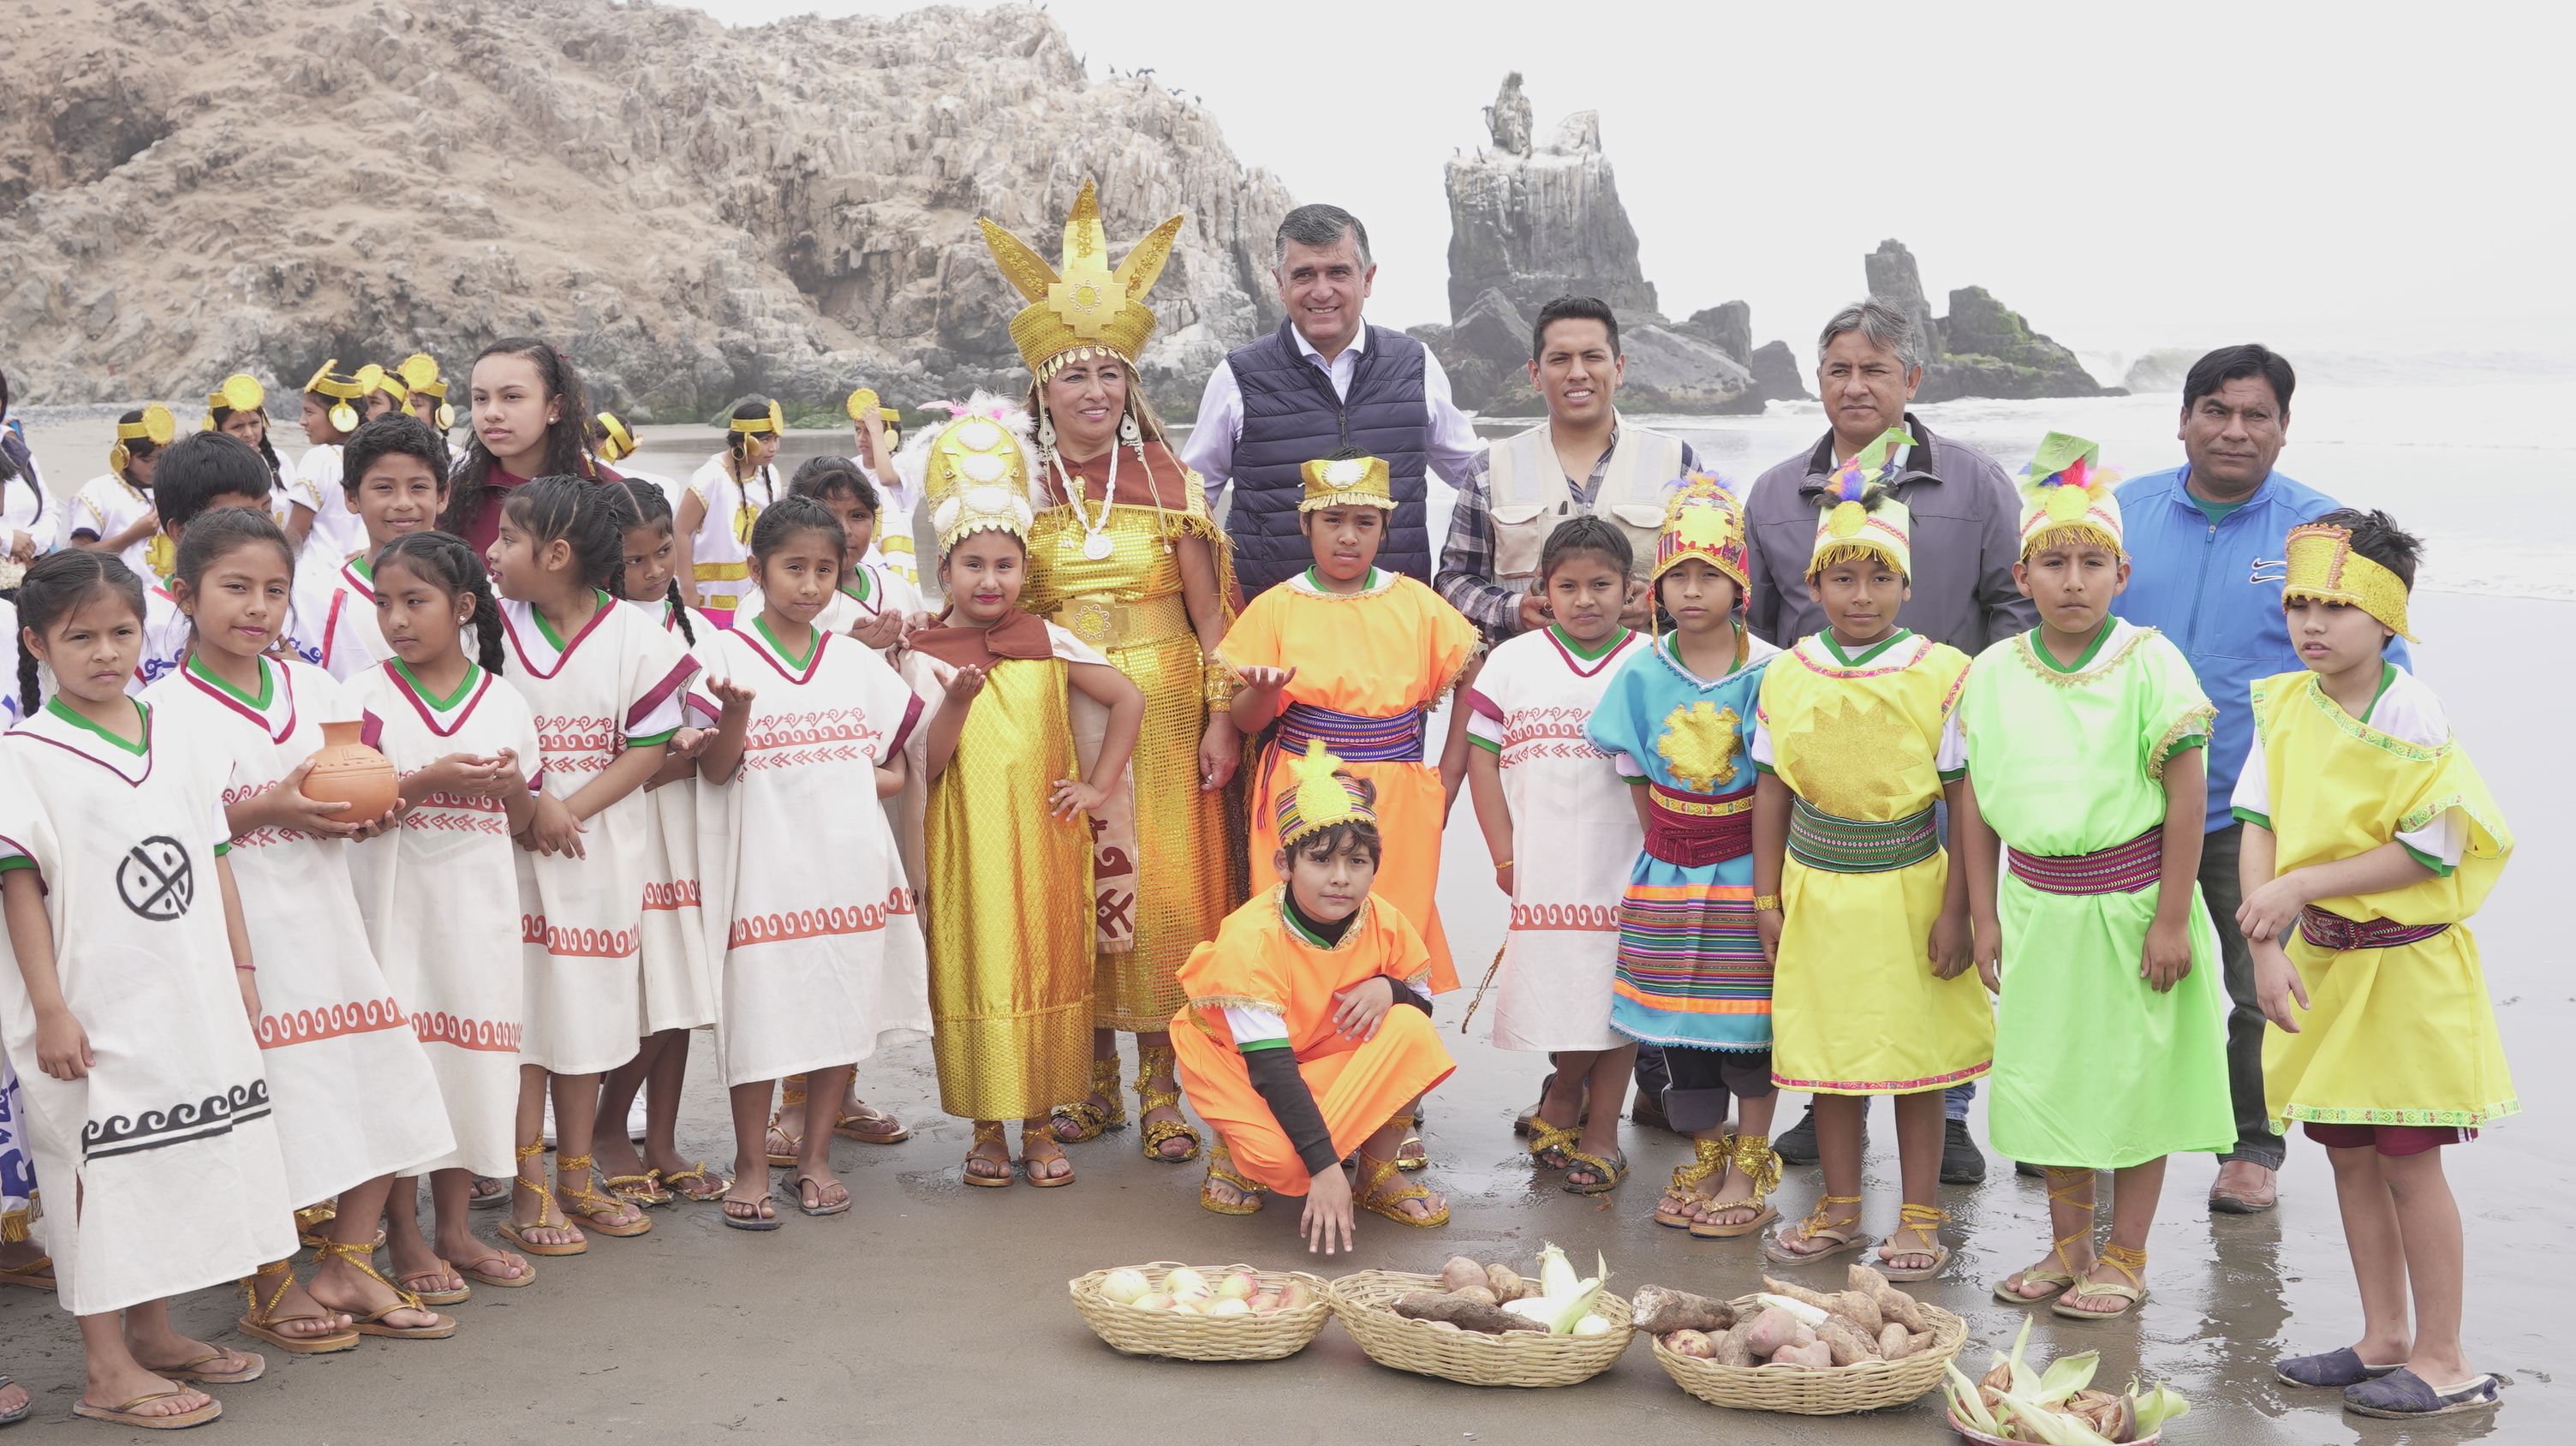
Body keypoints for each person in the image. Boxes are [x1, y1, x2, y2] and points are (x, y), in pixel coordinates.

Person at [974, 181, 1245, 1164]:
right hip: (1061, 706)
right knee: (1075, 884)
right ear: (1040, 390)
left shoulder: (1174, 484)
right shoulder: (1015, 490)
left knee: (1167, 889)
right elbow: (988, 603)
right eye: (1071, 375)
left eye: (1108, 374)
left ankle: (1162, 1085)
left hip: (1166, 705)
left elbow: (1212, 613)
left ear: (1131, 386)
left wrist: (1221, 717)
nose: (1092, 391)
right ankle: (1085, 1080)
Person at [144, 505, 459, 1347]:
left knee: (380, 1079)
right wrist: (270, 806)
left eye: (274, 590)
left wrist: (375, 807)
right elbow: (170, 829)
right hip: (241, 936)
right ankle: (270, 1276)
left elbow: (364, 781)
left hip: (330, 922)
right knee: (269, 1108)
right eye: (235, 587)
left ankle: (348, 1257)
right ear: (184, 593)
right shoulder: (163, 707)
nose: (257, 606)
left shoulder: (315, 688)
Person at [2112, 344, 2413, 1216]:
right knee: (2114, 972)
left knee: (2258, 979)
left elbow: (2372, 655)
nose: (2233, 429)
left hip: (2255, 806)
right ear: (2181, 420)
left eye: (2255, 414)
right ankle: (2100, 1128)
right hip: (2122, 800)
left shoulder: (2322, 533)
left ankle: (2251, 1146)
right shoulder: (2121, 513)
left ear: (2284, 428)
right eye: (2214, 408)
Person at [2, 549, 294, 1427]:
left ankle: (155, 1331)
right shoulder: (23, 754)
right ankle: (104, 1365)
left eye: (122, 631)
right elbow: (19, 886)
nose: (105, 651)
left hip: (186, 983)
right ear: (36, 643)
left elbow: (212, 859)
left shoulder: (176, 730)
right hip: (87, 997)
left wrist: (240, 971)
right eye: (79, 635)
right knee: (95, 1171)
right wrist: (50, 1007)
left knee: (168, 1162)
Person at [1743, 297, 2026, 1184]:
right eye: (1838, 369)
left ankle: (1942, 1112)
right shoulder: (1773, 492)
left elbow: (2013, 613)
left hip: (1939, 759)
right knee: (1833, 951)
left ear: (1912, 378)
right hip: (1822, 768)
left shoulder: (1976, 486)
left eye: (1875, 368)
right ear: (1816, 381)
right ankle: (1829, 1099)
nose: (1855, 385)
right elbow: (1754, 625)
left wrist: (1970, 717)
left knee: (1930, 955)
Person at [2240, 511, 2513, 1421]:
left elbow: (2430, 851)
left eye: (2336, 605)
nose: (2311, 623)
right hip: (2323, 963)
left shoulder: (2407, 709)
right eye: (2298, 603)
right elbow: (2259, 824)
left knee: (2406, 1157)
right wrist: (2264, 943)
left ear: (2387, 616)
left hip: (2403, 973)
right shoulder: (2281, 701)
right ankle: (2380, 1335)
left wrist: (2305, 883)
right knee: (2346, 1153)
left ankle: (2444, 1356)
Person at [1956, 433, 2233, 1321]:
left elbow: (2185, 794)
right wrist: (1982, 912)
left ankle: (2124, 1251)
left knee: (2129, 1080)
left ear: (2120, 571)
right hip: (2036, 906)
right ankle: (2067, 1244)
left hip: (2131, 906)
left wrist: (2167, 918)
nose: (2070, 580)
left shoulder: (2148, 659)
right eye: (2052, 563)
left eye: (2089, 563)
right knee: (2050, 1078)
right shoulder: (1992, 673)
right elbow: (1972, 801)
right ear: (2019, 574)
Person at [1752, 433, 1988, 1281]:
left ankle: (1920, 1212)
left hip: (1910, 889)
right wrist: (1765, 898)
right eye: (1842, 577)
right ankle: (1842, 1204)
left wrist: (1959, 906)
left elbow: (1963, 795)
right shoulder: (1785, 674)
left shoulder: (1943, 672)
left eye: (1879, 577)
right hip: (1817, 888)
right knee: (1833, 1058)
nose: (1861, 595)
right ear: (1812, 585)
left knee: (1915, 1060)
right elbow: (1772, 788)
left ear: (1906, 585)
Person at [898, 406, 1143, 1189]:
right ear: (946, 571)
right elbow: (926, 765)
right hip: (966, 844)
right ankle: (985, 1130)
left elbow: (1128, 697)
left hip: (1042, 843)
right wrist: (960, 701)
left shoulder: (1048, 638)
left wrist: (1099, 783)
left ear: (1026, 571)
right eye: (973, 566)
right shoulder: (924, 655)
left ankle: (1039, 1125)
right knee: (977, 968)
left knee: (1045, 966)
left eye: (1006, 566)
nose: (990, 581)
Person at [695, 497, 932, 1228]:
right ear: (757, 568)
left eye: (825, 570)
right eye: (793, 567)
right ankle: (751, 1162)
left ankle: (817, 1156)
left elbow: (894, 758)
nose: (809, 585)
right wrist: (733, 714)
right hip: (764, 868)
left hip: (849, 863)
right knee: (760, 1014)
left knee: (840, 1008)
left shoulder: (850, 661)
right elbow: (714, 771)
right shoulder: (720, 651)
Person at [486, 475, 696, 1255]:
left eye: (508, 539)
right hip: (506, 851)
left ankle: (576, 1175)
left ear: (559, 553)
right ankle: (529, 1186)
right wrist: (533, 803)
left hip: (594, 853)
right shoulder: (490, 627)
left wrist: (570, 809)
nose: (493, 551)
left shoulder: (638, 638)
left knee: (584, 1015)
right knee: (524, 1022)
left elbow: (647, 747)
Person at [1583, 477, 1786, 1238]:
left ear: (1741, 585)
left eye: (1712, 575)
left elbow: (1778, 788)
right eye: (1679, 576)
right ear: (1656, 587)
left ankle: (1750, 1162)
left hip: (1746, 876)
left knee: (1749, 1029)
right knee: (1679, 1033)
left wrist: (1766, 888)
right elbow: (1637, 776)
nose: (1694, 591)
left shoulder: (1771, 670)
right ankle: (1707, 1154)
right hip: (1669, 873)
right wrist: (1672, 844)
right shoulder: (1641, 669)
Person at [345, 531, 544, 1294]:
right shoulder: (362, 699)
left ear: (463, 607)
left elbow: (526, 822)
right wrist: (426, 780)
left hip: (479, 916)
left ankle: (455, 1229)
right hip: (394, 914)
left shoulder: (503, 702)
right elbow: (356, 814)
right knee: (406, 1071)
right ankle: (402, 1234)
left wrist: (514, 792)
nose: (396, 618)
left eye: (415, 601)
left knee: (471, 1069)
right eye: (384, 602)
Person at [1172, 746, 1458, 1244]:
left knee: (1410, 1027)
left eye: (1357, 860)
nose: (1341, 877)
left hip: (1318, 1057)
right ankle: (1234, 1149)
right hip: (1242, 1068)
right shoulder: (1253, 938)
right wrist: (1326, 1171)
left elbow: (1423, 1005)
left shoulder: (1385, 921)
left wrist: (1388, 988)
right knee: (1284, 1165)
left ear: (1376, 865)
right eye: (1321, 860)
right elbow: (1271, 1068)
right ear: (1285, 862)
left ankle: (1376, 1173)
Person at [1225, 456, 1481, 992]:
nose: (1348, 537)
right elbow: (1246, 721)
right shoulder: (1276, 607)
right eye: (1332, 520)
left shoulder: (1415, 603)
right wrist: (1266, 692)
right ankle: (1300, 1050)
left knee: (1392, 927)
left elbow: (1471, 673)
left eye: (1365, 523)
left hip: (1399, 793)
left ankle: (1386, 1055)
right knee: (1298, 923)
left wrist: (1450, 774)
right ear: (1305, 525)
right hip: (1301, 786)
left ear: (1386, 529)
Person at [1463, 515, 1649, 1194]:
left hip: (1625, 859)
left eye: (1602, 584)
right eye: (1568, 586)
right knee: (1561, 991)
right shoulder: (1514, 659)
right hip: (1542, 860)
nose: (1585, 599)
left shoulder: (1648, 662)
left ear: (1631, 589)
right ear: (1543, 587)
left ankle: (1603, 1133)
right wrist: (1503, 853)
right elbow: (1482, 760)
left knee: (1616, 996)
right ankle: (1564, 1088)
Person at [1184, 203, 1484, 595]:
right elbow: (1190, 503)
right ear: (1279, 283)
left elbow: (1477, 477)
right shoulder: (1237, 376)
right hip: (1272, 628)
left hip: (1396, 621)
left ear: (1368, 278)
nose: (1321, 290)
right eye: (1304, 274)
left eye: (1338, 272)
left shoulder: (1416, 364)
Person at [584, 479, 728, 1211]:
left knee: (680, 995)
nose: (651, 571)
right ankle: (609, 1130)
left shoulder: (693, 626)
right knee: (645, 994)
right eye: (633, 560)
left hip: (687, 825)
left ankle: (662, 1137)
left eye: (662, 552)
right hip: (630, 823)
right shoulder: (600, 630)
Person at [1436, 296, 1703, 640]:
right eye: (1560, 359)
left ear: (1618, 368)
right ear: (1535, 374)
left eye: (1592, 357)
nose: (1577, 373)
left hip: (1645, 683)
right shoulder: (1490, 468)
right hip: (1527, 683)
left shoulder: (1678, 463)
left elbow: (1714, 578)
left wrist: (1658, 608)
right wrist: (1514, 610)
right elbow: (1453, 580)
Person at [440, 338, 615, 557]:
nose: (491, 413)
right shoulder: (450, 497)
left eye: (512, 397)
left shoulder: (608, 492)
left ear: (555, 407)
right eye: (481, 398)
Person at [330, 415, 450, 667]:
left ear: (442, 495)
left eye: (418, 486)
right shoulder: (326, 599)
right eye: (384, 488)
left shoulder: (475, 590)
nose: (404, 503)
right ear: (352, 498)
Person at [677, 397, 786, 619]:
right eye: (765, 439)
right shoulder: (711, 476)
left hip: (756, 598)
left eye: (776, 439)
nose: (773, 447)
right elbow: (679, 531)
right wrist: (688, 591)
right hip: (710, 598)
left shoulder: (770, 474)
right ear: (742, 440)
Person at [68, 404, 172, 578]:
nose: (155, 466)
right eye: (146, 459)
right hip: (120, 594)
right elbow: (81, 553)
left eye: (162, 457)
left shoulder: (174, 487)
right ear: (123, 454)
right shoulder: (98, 491)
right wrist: (133, 535)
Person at [290, 360, 372, 561]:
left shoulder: (321, 457)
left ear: (340, 414)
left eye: (309, 412)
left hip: (318, 578)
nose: (302, 421)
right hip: (362, 573)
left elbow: (293, 538)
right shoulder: (374, 458)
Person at [845, 387, 915, 587]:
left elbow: (886, 478)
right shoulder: (852, 467)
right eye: (858, 430)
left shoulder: (904, 465)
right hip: (862, 556)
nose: (862, 438)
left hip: (896, 561)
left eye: (870, 431)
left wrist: (877, 433)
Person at [202, 373, 286, 495]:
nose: (249, 433)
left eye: (254, 423)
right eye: (237, 427)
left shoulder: (281, 460)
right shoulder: (210, 471)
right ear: (217, 430)